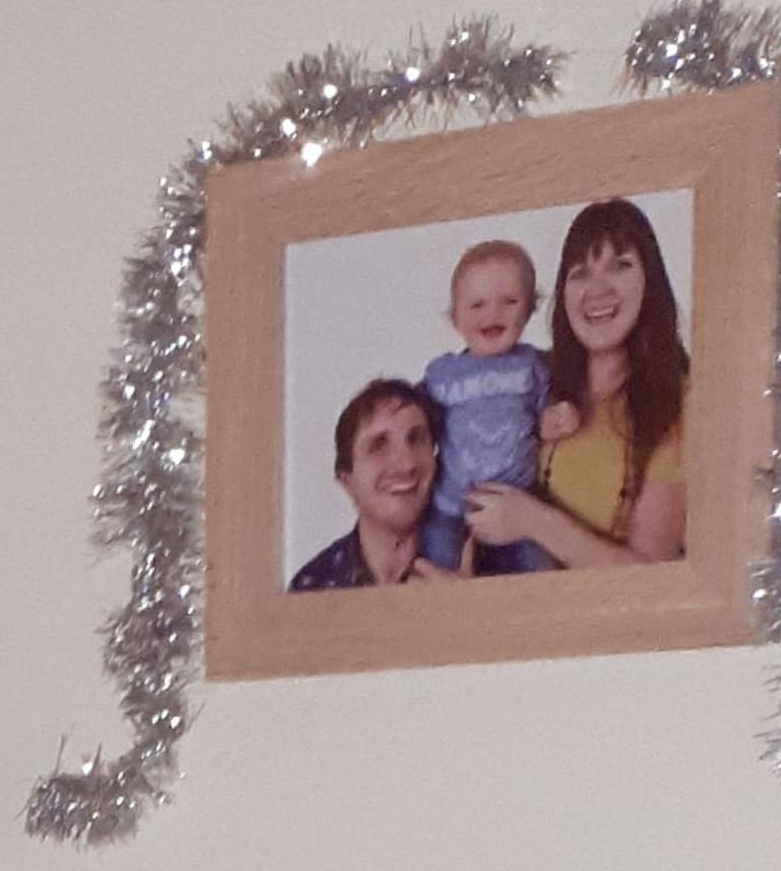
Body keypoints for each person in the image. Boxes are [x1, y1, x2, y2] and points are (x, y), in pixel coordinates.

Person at [461, 198, 690, 572]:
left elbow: (651, 579)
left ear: (652, 282)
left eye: (621, 266)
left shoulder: (681, 400)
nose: (597, 290)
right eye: (580, 272)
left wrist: (534, 521)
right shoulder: (530, 375)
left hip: (603, 625)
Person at [416, 239, 553, 576]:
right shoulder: (443, 375)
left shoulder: (532, 366)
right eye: (477, 305)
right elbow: (414, 416)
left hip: (517, 502)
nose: (493, 314)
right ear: (455, 318)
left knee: (539, 572)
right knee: (434, 568)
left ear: (530, 308)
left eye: (509, 301)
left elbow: (548, 409)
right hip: (451, 506)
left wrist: (556, 419)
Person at [286, 378, 462, 593]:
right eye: (378, 445)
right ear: (347, 481)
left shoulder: (476, 565)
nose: (406, 464)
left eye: (416, 439)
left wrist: (465, 606)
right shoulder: (313, 586)